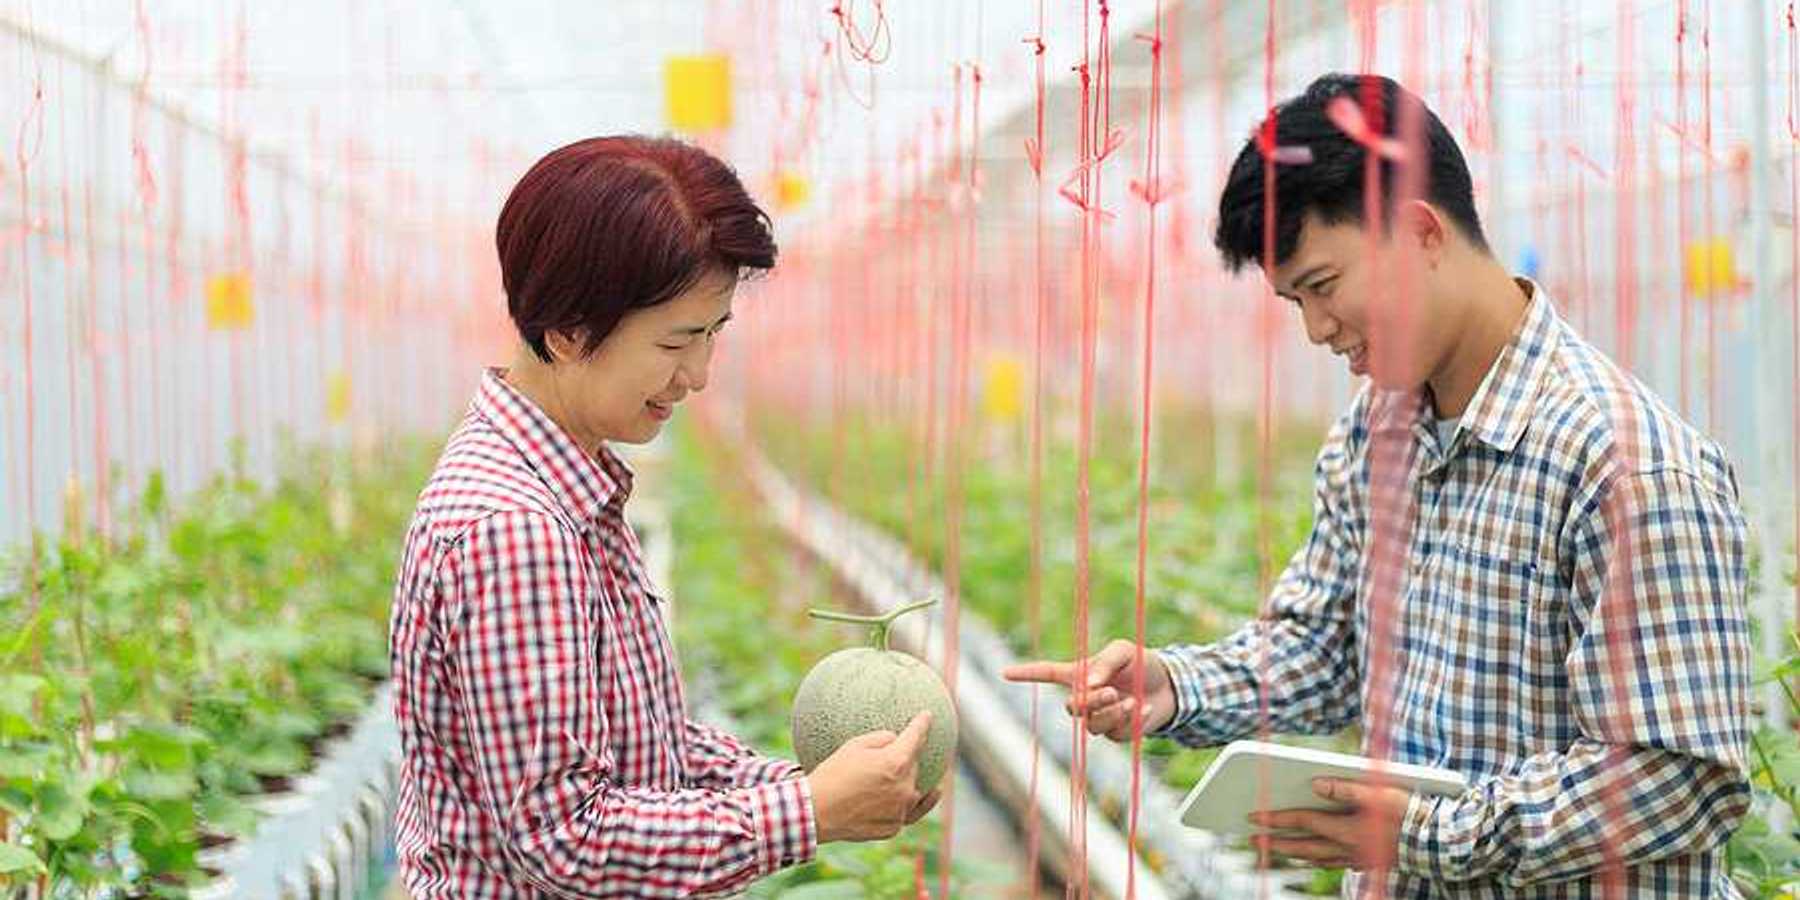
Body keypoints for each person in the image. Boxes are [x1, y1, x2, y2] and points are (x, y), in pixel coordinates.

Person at [1005, 74, 1752, 898]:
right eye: (1294, 301)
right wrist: (1176, 686)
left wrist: (1423, 833)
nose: (1317, 330)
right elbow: (1327, 645)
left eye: (1322, 287)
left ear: (1422, 231)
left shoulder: (1623, 464)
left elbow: (1680, 776)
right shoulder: (1378, 431)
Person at [388, 135, 939, 898]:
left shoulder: (565, 490)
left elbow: (645, 746)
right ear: (568, 332)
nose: (700, 375)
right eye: (677, 340)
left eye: (713, 334)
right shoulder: (516, 528)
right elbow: (566, 837)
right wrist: (806, 810)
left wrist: (822, 791)